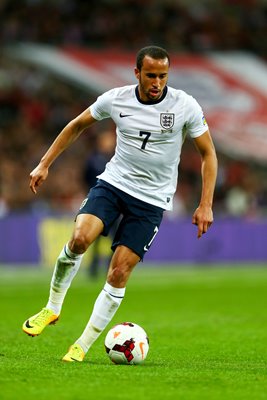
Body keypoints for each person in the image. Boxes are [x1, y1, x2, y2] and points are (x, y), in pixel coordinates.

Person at [22, 45, 218, 362]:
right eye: (151, 75)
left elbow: (208, 153)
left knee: (118, 273)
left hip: (152, 200)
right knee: (79, 239)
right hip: (114, 184)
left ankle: (81, 346)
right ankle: (52, 308)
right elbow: (76, 125)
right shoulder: (116, 98)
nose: (157, 82)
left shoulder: (185, 106)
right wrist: (45, 163)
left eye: (163, 76)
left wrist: (205, 204)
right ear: (137, 72)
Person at [83, 129, 117, 278]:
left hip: (115, 204)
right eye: (108, 140)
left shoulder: (115, 157)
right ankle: (93, 267)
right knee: (93, 237)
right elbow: (85, 177)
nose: (111, 143)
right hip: (98, 203)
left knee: (115, 238)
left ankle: (111, 267)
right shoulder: (93, 159)